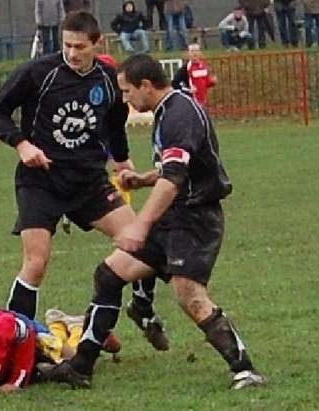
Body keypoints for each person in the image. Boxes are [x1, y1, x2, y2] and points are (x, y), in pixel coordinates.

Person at [38, 54, 267, 391]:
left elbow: (175, 178)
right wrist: (143, 179)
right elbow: (177, 168)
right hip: (176, 213)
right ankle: (81, 366)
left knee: (189, 294)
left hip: (194, 218)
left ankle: (245, 370)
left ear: (146, 85)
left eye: (128, 91)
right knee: (110, 273)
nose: (125, 98)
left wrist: (139, 226)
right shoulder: (168, 111)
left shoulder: (179, 113)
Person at [0, 11, 168, 352]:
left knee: (143, 243)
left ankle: (141, 309)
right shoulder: (38, 73)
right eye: (67, 45)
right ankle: (12, 346)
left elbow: (115, 125)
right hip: (41, 181)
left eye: (80, 47)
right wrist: (22, 144)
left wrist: (123, 162)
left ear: (97, 44)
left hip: (88, 182)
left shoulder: (109, 81)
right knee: (36, 263)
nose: (72, 53)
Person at [171, 43, 216, 107]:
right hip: (191, 101)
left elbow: (205, 83)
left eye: (197, 50)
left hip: (203, 101)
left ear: (200, 52)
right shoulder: (186, 68)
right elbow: (174, 83)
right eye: (192, 51)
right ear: (188, 53)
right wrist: (187, 90)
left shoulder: (204, 66)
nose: (195, 53)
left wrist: (212, 82)